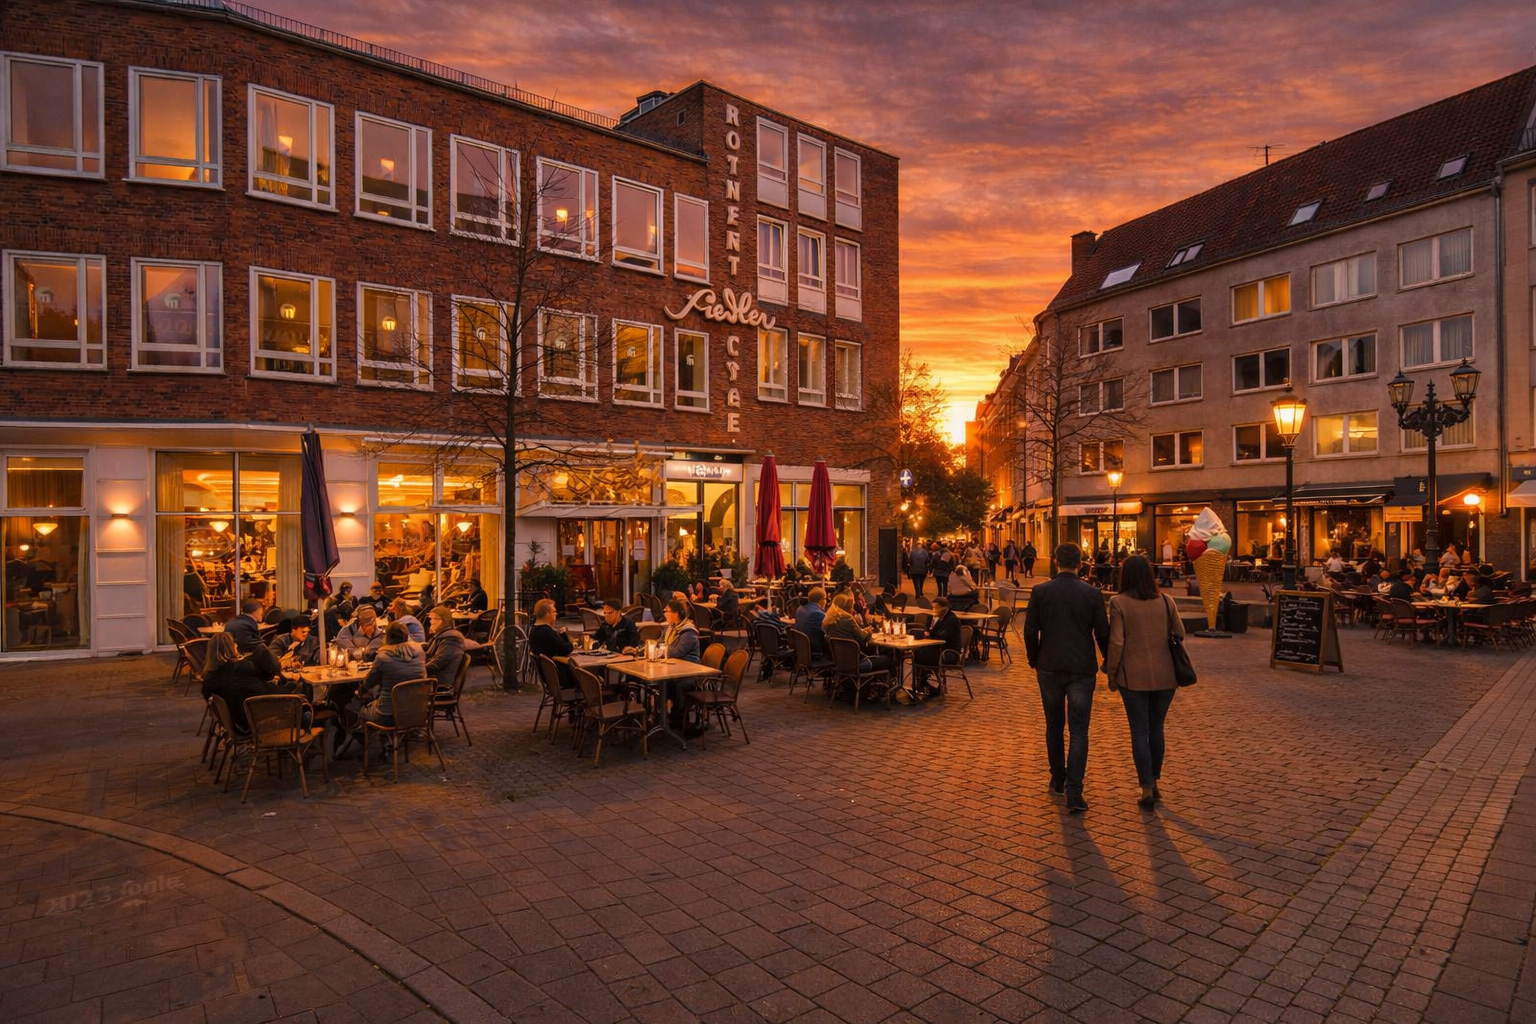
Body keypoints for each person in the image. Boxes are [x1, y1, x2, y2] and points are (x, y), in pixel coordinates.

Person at [1022, 543, 1109, 814]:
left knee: (1054, 725)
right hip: (1081, 667)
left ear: (1055, 561)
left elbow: (1030, 631)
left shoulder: (1041, 592)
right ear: (1080, 563)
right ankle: (1074, 790)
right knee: (1079, 730)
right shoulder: (1092, 593)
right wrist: (1108, 659)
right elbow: (1102, 632)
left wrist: (1034, 658)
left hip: (1050, 665)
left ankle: (1058, 778)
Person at [1104, 555, 1182, 810]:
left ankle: (1146, 786)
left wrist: (1112, 674)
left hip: (1133, 677)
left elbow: (1117, 642)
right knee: (1156, 727)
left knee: (1139, 731)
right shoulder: (1166, 600)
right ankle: (1155, 780)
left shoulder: (1118, 602)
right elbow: (1180, 632)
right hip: (1165, 675)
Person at [201, 632, 289, 731]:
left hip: (236, 722)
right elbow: (261, 690)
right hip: (255, 721)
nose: (236, 645)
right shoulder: (242, 667)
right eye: (234, 643)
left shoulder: (210, 677)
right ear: (230, 648)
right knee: (294, 692)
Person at [357, 623, 425, 731]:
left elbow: (368, 683)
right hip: (417, 712)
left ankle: (361, 734)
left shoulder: (383, 657)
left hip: (388, 715)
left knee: (358, 706)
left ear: (387, 637)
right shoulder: (419, 652)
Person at [823, 592, 894, 674]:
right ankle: (893, 681)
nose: (853, 610)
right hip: (857, 664)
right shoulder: (848, 619)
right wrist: (869, 630)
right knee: (887, 660)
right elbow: (863, 638)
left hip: (839, 663)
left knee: (874, 653)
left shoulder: (829, 621)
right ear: (847, 607)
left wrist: (862, 628)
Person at [913, 595, 963, 693]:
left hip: (949, 652)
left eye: (936, 608)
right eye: (933, 607)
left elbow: (942, 637)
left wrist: (929, 634)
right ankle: (921, 682)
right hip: (936, 648)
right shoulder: (933, 617)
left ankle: (922, 683)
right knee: (917, 653)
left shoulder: (951, 620)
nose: (934, 610)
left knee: (919, 656)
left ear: (945, 608)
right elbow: (928, 631)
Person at [424, 604, 468, 689]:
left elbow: (437, 664)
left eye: (434, 619)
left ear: (444, 621)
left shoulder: (451, 639)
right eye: (431, 619)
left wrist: (417, 671)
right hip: (433, 677)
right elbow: (428, 648)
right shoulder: (442, 635)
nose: (431, 622)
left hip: (439, 682)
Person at [661, 598, 701, 662]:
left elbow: (676, 652)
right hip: (673, 664)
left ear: (676, 614)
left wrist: (660, 651)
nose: (664, 614)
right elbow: (660, 642)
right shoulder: (670, 628)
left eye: (667, 611)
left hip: (689, 665)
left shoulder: (689, 632)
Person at [794, 587, 828, 658]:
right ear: (822, 600)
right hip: (815, 649)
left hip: (802, 649)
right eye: (825, 599)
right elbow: (829, 631)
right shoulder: (817, 614)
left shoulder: (800, 608)